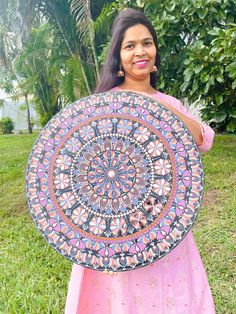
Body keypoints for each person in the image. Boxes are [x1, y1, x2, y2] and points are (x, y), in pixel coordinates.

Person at [65, 8, 215, 314]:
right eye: (130, 46)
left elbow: (204, 139)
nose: (140, 52)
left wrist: (156, 108)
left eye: (146, 43)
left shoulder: (169, 104)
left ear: (155, 50)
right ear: (118, 57)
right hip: (117, 225)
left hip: (165, 224)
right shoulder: (105, 106)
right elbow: (85, 171)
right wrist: (101, 239)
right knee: (119, 301)